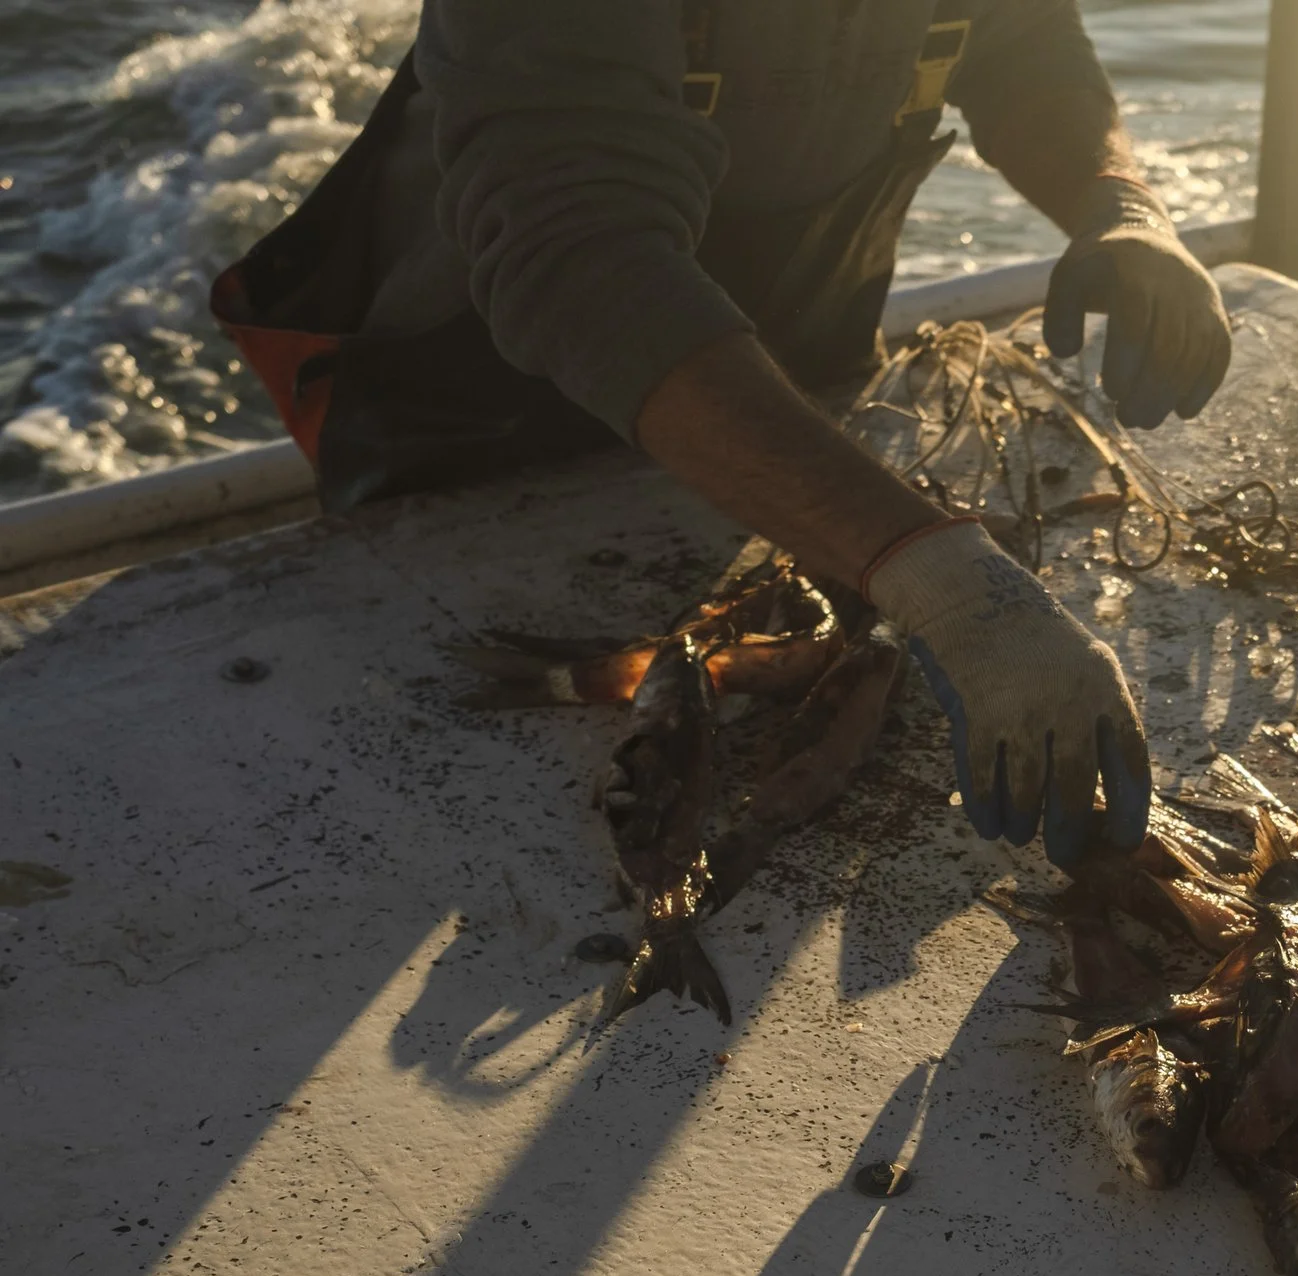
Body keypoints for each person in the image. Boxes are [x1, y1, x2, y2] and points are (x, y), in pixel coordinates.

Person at [211, 0, 1235, 867]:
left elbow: (1018, 49)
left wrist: (1117, 199)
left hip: (787, 437)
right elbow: (578, 257)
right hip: (478, 475)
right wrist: (934, 572)